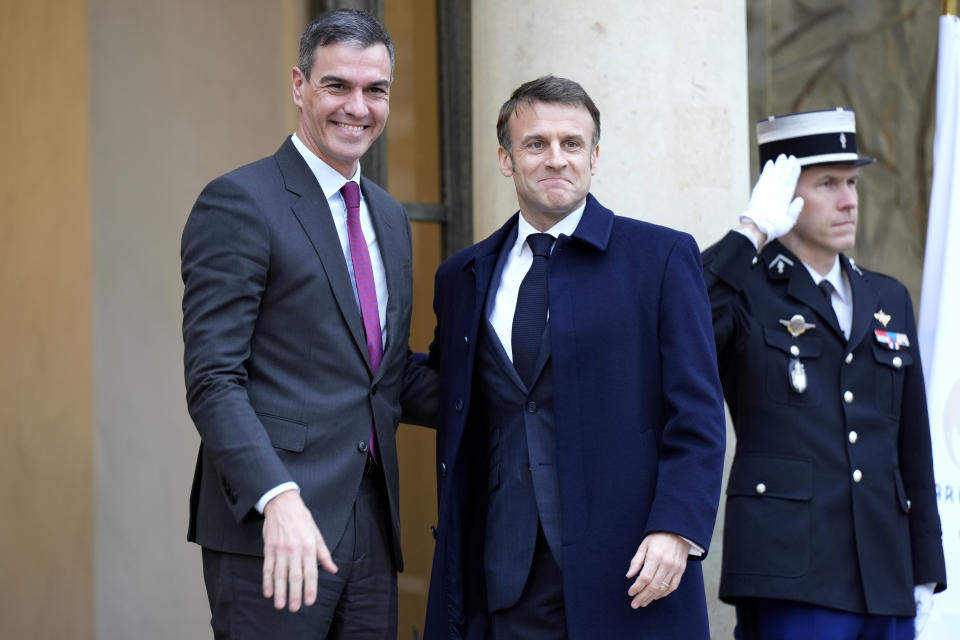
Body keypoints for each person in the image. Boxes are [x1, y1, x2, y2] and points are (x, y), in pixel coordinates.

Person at [422, 75, 727, 640]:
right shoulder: (462, 276)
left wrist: (677, 529)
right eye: (536, 143)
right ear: (506, 159)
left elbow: (698, 413)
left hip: (631, 564)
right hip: (504, 572)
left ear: (595, 156)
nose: (556, 158)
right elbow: (447, 389)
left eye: (573, 143)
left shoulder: (659, 257)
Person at [180, 9, 434, 639]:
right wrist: (277, 496)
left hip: (372, 527)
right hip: (273, 527)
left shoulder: (389, 216)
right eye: (336, 86)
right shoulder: (239, 201)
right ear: (299, 85)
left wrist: (527, 387)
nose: (358, 106)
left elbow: (386, 376)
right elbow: (214, 379)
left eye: (375, 90)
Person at [703, 108, 947, 640]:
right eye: (828, 184)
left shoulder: (887, 297)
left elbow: (912, 442)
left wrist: (926, 569)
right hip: (793, 572)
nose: (850, 200)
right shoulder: (745, 291)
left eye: (853, 182)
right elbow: (681, 326)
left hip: (886, 571)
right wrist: (751, 232)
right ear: (786, 193)